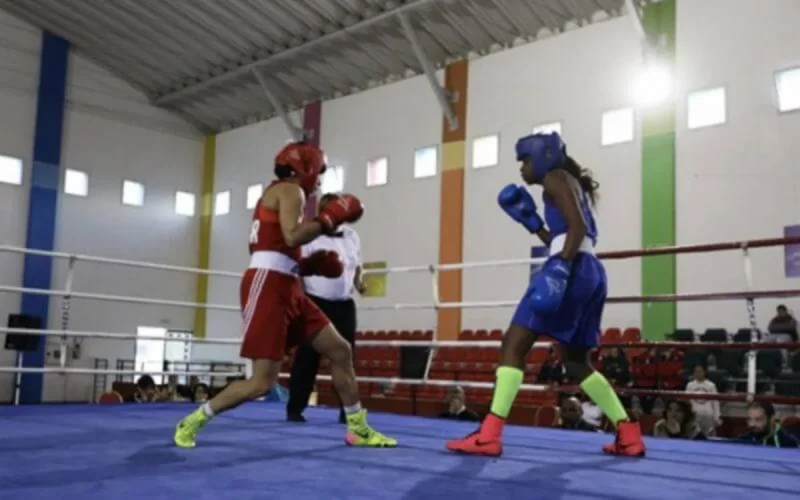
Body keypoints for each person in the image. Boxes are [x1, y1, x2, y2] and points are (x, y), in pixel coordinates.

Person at [173, 141, 396, 449]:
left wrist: (309, 266)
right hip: (268, 286)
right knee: (261, 383)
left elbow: (274, 247)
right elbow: (292, 235)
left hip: (285, 283)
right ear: (304, 169)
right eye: (318, 171)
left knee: (340, 350)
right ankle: (194, 420)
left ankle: (357, 428)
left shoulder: (278, 193)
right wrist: (328, 219)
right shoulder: (291, 191)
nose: (319, 179)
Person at [445, 132, 645, 457]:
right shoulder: (564, 181)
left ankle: (490, 434)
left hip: (572, 267)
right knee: (577, 362)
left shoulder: (555, 178)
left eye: (524, 160)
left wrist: (560, 269)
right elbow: (568, 233)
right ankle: (628, 432)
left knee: (513, 343)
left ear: (543, 156)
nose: (521, 168)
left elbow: (577, 227)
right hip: (591, 271)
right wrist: (534, 225)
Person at [287, 193, 367, 423]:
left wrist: (359, 283)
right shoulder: (310, 235)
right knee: (307, 357)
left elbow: (357, 263)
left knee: (345, 357)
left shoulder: (352, 235)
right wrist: (299, 297)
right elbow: (298, 268)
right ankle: (295, 408)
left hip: (344, 303)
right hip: (315, 301)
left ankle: (348, 410)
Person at [684, 364, 721, 436]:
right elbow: (686, 402)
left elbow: (715, 402)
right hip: (694, 416)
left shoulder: (711, 385)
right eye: (696, 371)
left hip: (708, 416)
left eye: (700, 371)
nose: (698, 373)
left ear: (704, 372)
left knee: (710, 438)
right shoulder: (690, 385)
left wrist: (717, 416)